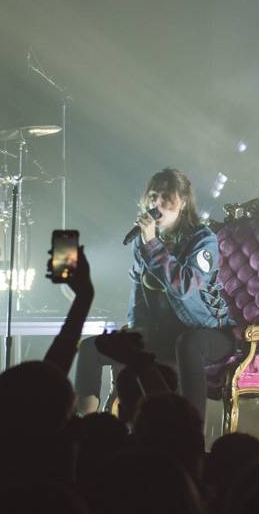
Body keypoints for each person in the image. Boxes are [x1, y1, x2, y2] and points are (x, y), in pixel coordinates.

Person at [74, 168, 234, 417]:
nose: (157, 203)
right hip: (162, 333)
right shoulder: (143, 240)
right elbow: (138, 292)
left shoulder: (203, 240)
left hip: (206, 331)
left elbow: (184, 286)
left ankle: (193, 431)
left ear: (181, 202)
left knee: (188, 343)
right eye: (152, 196)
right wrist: (135, 330)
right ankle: (87, 423)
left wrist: (152, 244)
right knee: (91, 347)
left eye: (166, 197)